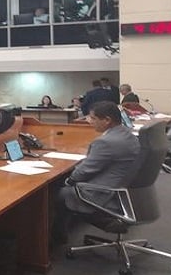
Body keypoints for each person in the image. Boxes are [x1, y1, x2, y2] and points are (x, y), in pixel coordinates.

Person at [52, 101, 140, 243]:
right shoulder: (127, 134)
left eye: (93, 118)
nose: (90, 121)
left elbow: (84, 171)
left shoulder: (106, 142)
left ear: (107, 120)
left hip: (102, 193)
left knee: (56, 190)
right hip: (123, 188)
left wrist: (68, 180)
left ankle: (57, 237)